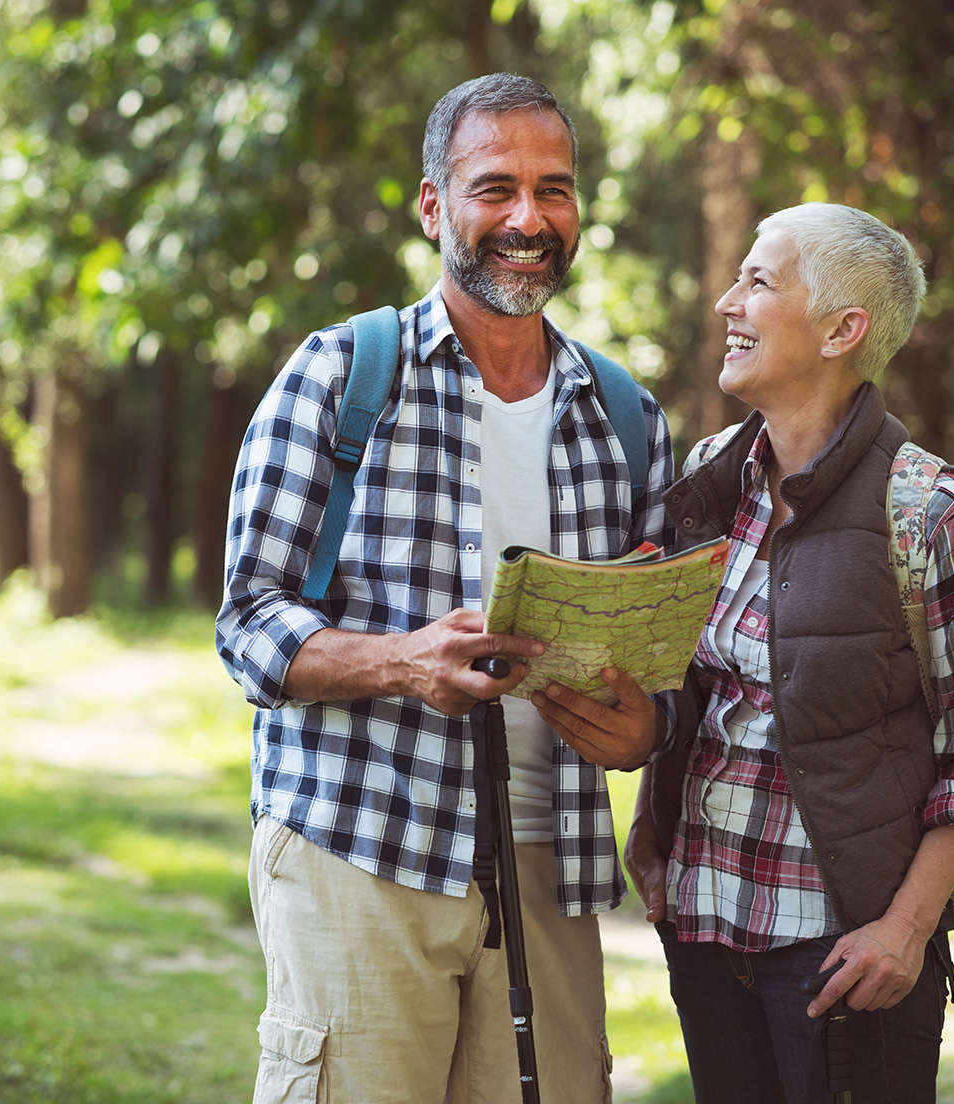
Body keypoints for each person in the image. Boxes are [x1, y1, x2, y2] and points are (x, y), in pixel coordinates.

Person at [216, 73, 677, 1104]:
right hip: (360, 838)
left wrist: (641, 732)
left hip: (545, 858)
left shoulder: (627, 417)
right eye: (493, 188)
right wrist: (398, 660)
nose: (527, 218)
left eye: (552, 190)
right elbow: (248, 624)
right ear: (432, 206)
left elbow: (661, 674)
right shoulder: (338, 377)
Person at [624, 202, 954, 1103]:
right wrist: (652, 831)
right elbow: (698, 684)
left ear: (842, 330)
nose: (726, 303)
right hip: (706, 930)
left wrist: (905, 930)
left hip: (846, 955)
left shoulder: (930, 510)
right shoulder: (716, 475)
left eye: (759, 281)